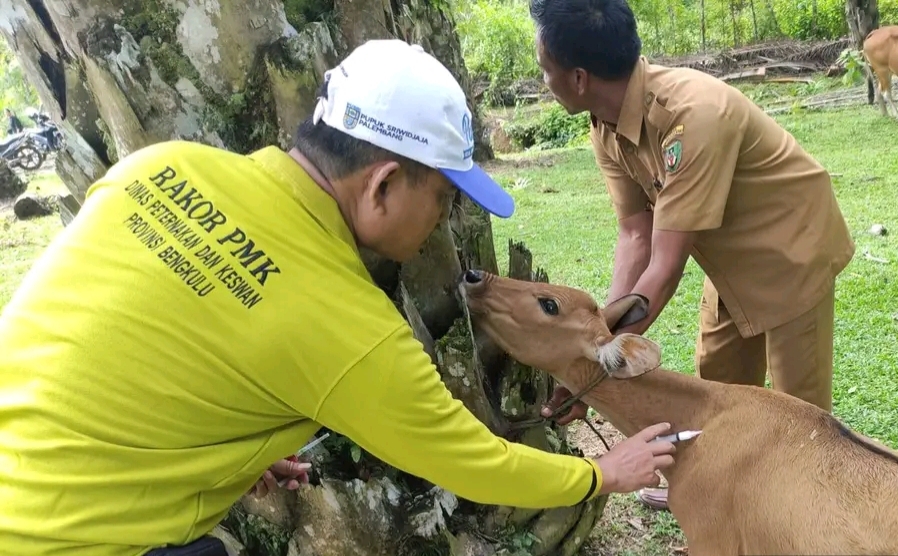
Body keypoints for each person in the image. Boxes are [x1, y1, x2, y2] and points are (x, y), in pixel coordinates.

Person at [0, 39, 678, 555]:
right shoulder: (355, 333)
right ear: (383, 186)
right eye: (441, 199)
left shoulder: (160, 166)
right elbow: (483, 466)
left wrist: (228, 434)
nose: (441, 223)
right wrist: (604, 475)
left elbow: (133, 329)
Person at [529, 0, 855, 511]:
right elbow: (636, 235)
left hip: (793, 249)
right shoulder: (605, 124)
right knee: (717, 387)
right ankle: (713, 486)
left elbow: (662, 269)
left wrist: (591, 364)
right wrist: (597, 338)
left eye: (544, 70)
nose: (542, 79)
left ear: (577, 78)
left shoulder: (692, 115)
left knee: (800, 414)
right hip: (728, 261)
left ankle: (805, 513)